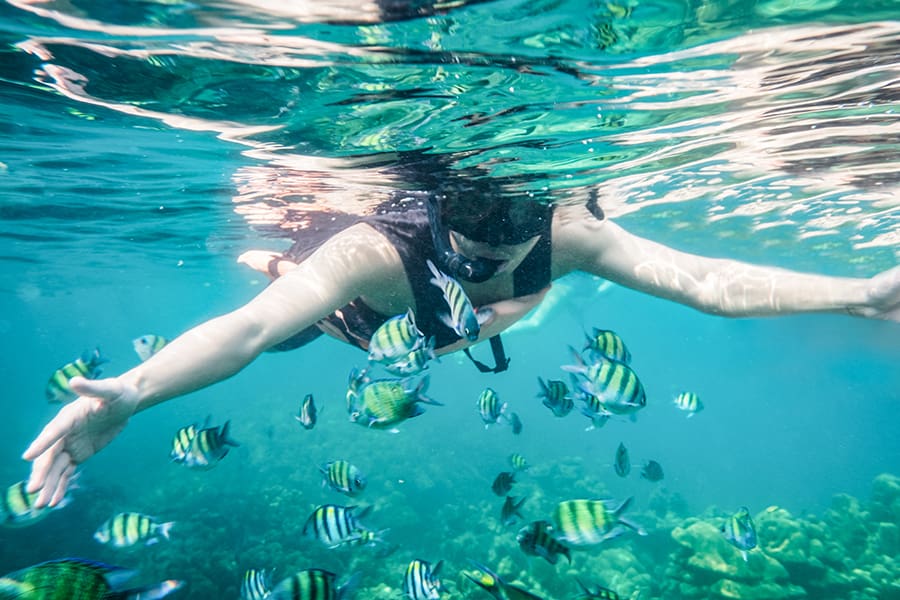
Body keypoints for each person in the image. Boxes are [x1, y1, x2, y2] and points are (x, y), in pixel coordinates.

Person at [22, 176, 900, 509]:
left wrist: (860, 294)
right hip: (354, 321)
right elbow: (247, 333)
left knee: (505, 316)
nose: (481, 259)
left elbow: (704, 283)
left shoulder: (573, 232)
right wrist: (138, 389)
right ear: (440, 222)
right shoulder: (375, 246)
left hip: (445, 333)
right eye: (466, 251)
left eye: (501, 255)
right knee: (289, 312)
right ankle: (276, 247)